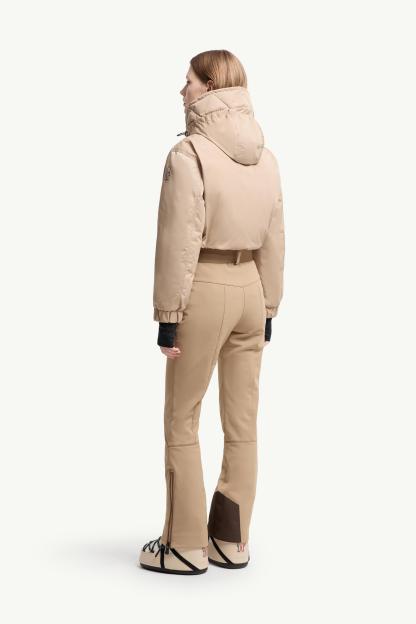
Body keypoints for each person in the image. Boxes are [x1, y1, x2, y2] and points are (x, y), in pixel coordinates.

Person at [139, 50, 285, 575]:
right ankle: (230, 538)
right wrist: (268, 306)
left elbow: (178, 240)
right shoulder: (265, 157)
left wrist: (168, 315)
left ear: (209, 87)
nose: (182, 90)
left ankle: (183, 546)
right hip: (251, 290)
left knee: (182, 417)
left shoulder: (189, 154)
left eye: (188, 81)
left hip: (203, 287)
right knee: (242, 421)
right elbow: (275, 236)